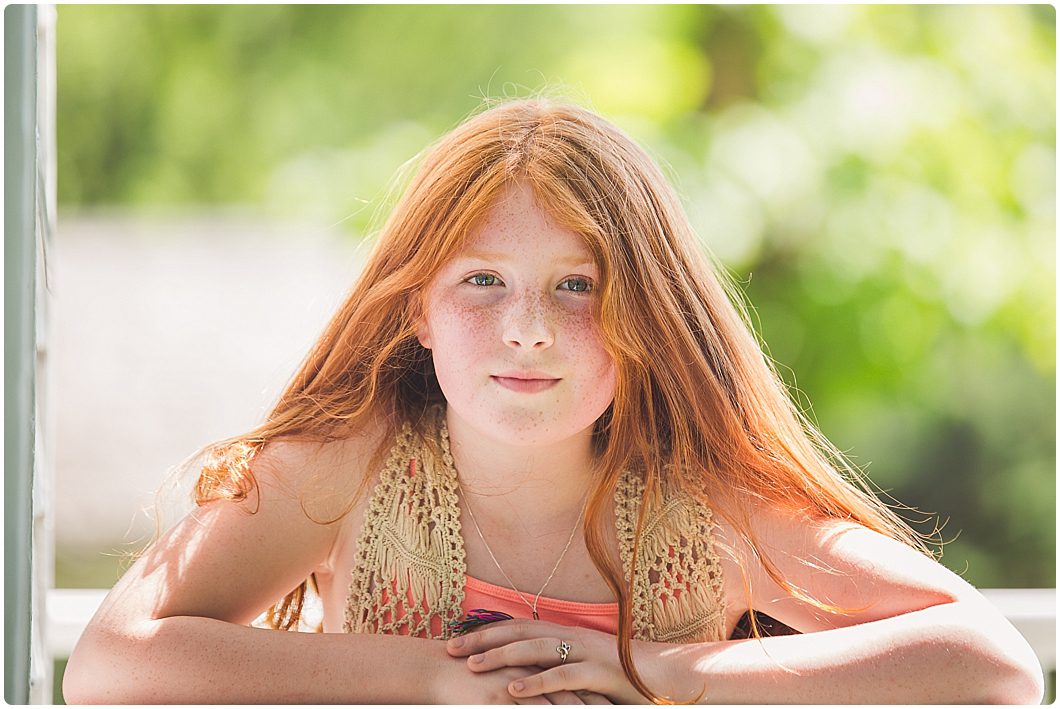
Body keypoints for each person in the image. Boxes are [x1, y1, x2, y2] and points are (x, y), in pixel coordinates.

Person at [62, 97, 1044, 704]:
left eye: (576, 286)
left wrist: (656, 670)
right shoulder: (350, 466)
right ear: (418, 314)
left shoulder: (700, 509)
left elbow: (989, 665)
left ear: (645, 317)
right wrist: (432, 680)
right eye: (481, 283)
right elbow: (108, 668)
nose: (526, 327)